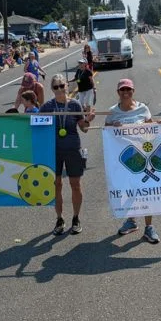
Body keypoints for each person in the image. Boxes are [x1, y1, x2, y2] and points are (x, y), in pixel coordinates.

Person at [105, 78, 161, 244]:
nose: (125, 93)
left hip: (143, 156)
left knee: (146, 192)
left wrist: (160, 125)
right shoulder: (112, 111)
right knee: (128, 191)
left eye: (128, 89)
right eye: (122, 90)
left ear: (133, 91)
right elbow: (107, 135)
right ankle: (131, 221)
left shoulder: (143, 108)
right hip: (124, 159)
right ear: (118, 93)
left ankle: (149, 228)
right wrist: (111, 127)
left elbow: (151, 130)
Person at [39, 74, 95, 236]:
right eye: (55, 87)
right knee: (56, 185)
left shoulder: (75, 105)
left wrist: (88, 119)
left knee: (75, 185)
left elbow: (83, 129)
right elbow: (37, 128)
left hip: (72, 149)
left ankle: (76, 218)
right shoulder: (47, 107)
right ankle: (59, 219)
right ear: (52, 89)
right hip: (54, 151)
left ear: (66, 87)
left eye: (61, 86)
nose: (59, 89)